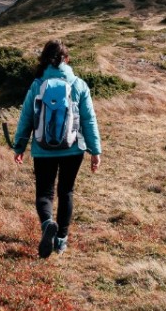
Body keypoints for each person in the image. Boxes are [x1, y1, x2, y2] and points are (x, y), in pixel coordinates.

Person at [13, 40, 103, 258]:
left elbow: (26, 117)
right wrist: (95, 150)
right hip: (73, 149)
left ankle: (47, 224)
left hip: (42, 149)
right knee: (66, 191)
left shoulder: (37, 85)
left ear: (45, 59)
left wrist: (19, 146)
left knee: (44, 192)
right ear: (67, 60)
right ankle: (61, 240)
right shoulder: (78, 85)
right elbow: (89, 120)